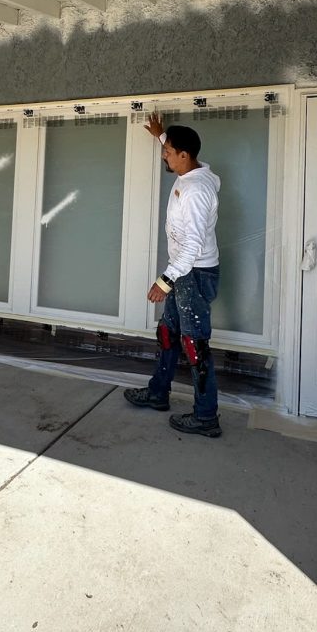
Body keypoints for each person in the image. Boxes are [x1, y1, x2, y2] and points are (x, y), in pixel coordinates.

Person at [124, 113, 222, 437]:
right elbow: (177, 149)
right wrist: (161, 135)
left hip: (192, 272)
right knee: (168, 333)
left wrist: (165, 281)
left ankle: (206, 416)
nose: (164, 155)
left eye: (168, 152)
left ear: (185, 156)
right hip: (185, 270)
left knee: (194, 345)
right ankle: (158, 393)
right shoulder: (195, 171)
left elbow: (193, 245)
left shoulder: (195, 192)